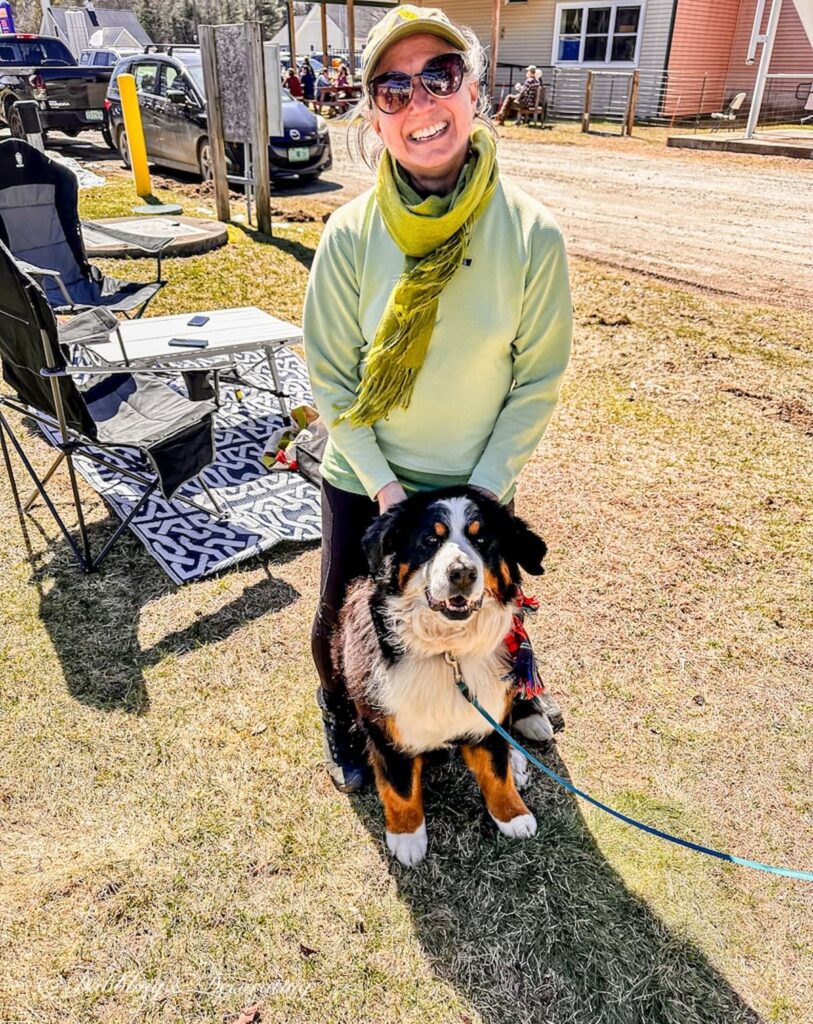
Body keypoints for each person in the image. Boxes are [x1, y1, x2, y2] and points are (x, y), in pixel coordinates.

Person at [303, 6, 572, 792]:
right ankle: (344, 709)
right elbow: (333, 380)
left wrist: (483, 487)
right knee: (343, 616)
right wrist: (388, 495)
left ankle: (509, 696)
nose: (419, 102)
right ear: (372, 116)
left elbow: (535, 380)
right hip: (368, 477)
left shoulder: (531, 236)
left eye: (438, 77)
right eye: (392, 88)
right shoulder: (349, 236)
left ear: (475, 89)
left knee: (494, 601)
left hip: (478, 479)